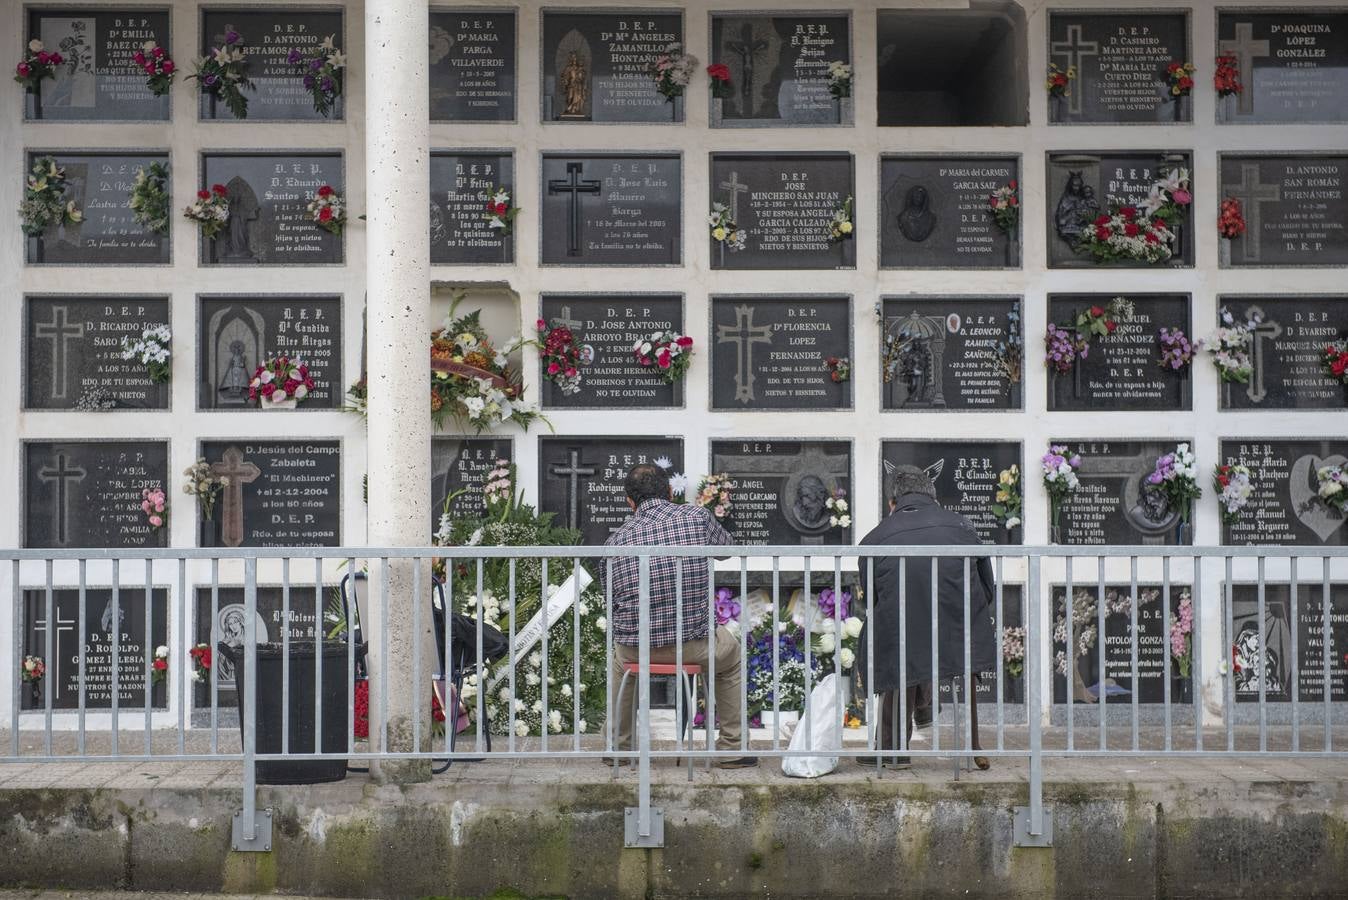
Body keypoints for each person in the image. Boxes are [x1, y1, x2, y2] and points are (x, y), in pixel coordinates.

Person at [604, 464, 754, 768]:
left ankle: (618, 748)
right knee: (731, 655)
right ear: (671, 492)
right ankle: (732, 748)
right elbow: (726, 551)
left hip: (638, 648)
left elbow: (613, 599)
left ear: (629, 502)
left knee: (620, 662)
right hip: (694, 645)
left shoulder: (614, 542)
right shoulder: (696, 518)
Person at [857, 465, 997, 769]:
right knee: (917, 637)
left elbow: (871, 598)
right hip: (959, 635)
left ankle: (892, 748)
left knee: (893, 636)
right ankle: (932, 713)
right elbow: (987, 588)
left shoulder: (876, 537)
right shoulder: (963, 526)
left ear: (893, 502)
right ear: (933, 495)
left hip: (904, 637)